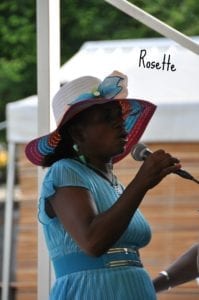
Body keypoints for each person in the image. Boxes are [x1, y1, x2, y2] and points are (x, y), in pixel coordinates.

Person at [25, 70, 181, 300]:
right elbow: (93, 241)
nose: (120, 123)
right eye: (108, 118)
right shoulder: (64, 170)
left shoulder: (114, 184)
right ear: (78, 133)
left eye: (119, 116)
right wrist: (142, 183)